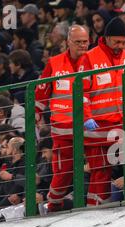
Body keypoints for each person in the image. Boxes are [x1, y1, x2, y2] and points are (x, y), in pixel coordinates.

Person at [80, 17, 125, 205]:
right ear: (106, 38)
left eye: (123, 42)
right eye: (116, 42)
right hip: (97, 126)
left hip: (123, 125)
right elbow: (82, 92)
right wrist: (86, 117)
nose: (120, 46)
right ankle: (94, 209)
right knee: (100, 171)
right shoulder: (90, 57)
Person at [35, 25, 90, 212]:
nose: (83, 46)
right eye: (78, 42)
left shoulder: (93, 60)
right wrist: (36, 112)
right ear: (68, 42)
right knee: (63, 170)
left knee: (98, 164)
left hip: (89, 125)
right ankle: (53, 204)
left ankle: (94, 203)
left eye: (85, 42)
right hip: (62, 127)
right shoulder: (54, 62)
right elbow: (42, 91)